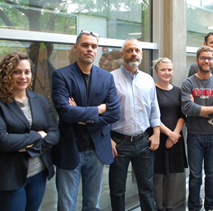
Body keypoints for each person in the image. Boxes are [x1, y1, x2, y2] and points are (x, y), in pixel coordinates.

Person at [51, 30, 120, 210]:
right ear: (76, 48)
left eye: (94, 46)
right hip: (70, 148)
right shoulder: (61, 75)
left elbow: (114, 113)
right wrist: (98, 109)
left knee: (92, 204)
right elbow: (65, 112)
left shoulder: (106, 77)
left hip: (97, 149)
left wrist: (82, 116)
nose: (90, 49)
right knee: (66, 205)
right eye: (85, 45)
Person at [0, 52, 59, 210]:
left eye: (27, 71)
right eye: (16, 71)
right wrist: (37, 135)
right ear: (6, 74)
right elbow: (2, 141)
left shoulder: (41, 100)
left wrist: (22, 144)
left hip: (38, 173)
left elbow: (54, 134)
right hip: (6, 177)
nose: (23, 76)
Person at [109, 38, 161, 211]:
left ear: (142, 54)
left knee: (147, 189)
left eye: (137, 50)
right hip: (119, 143)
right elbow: (104, 112)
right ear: (122, 54)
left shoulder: (148, 80)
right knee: (117, 190)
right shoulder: (110, 79)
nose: (134, 54)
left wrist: (156, 134)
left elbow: (154, 109)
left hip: (143, 142)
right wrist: (107, 139)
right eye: (130, 50)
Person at [181, 46, 213, 211]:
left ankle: (210, 206)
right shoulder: (188, 83)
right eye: (203, 58)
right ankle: (194, 207)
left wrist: (197, 107)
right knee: (195, 176)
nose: (206, 61)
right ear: (197, 60)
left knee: (212, 175)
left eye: (209, 58)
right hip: (194, 136)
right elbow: (186, 109)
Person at [152, 57, 188, 211]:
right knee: (158, 175)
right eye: (163, 70)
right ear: (156, 72)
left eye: (169, 70)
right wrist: (168, 134)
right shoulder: (151, 91)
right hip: (158, 138)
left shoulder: (178, 91)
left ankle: (170, 207)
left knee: (173, 175)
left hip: (175, 139)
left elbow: (182, 115)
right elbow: (151, 116)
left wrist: (174, 135)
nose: (167, 73)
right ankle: (159, 207)